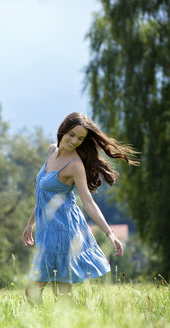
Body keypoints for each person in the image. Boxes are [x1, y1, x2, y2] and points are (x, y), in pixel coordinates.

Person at [22, 112, 139, 302]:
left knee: (40, 292)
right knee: (53, 294)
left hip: (63, 232)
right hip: (47, 230)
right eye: (72, 135)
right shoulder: (52, 150)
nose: (75, 141)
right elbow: (44, 196)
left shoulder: (75, 165)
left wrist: (109, 234)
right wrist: (31, 223)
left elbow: (88, 202)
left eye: (81, 138)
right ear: (63, 130)